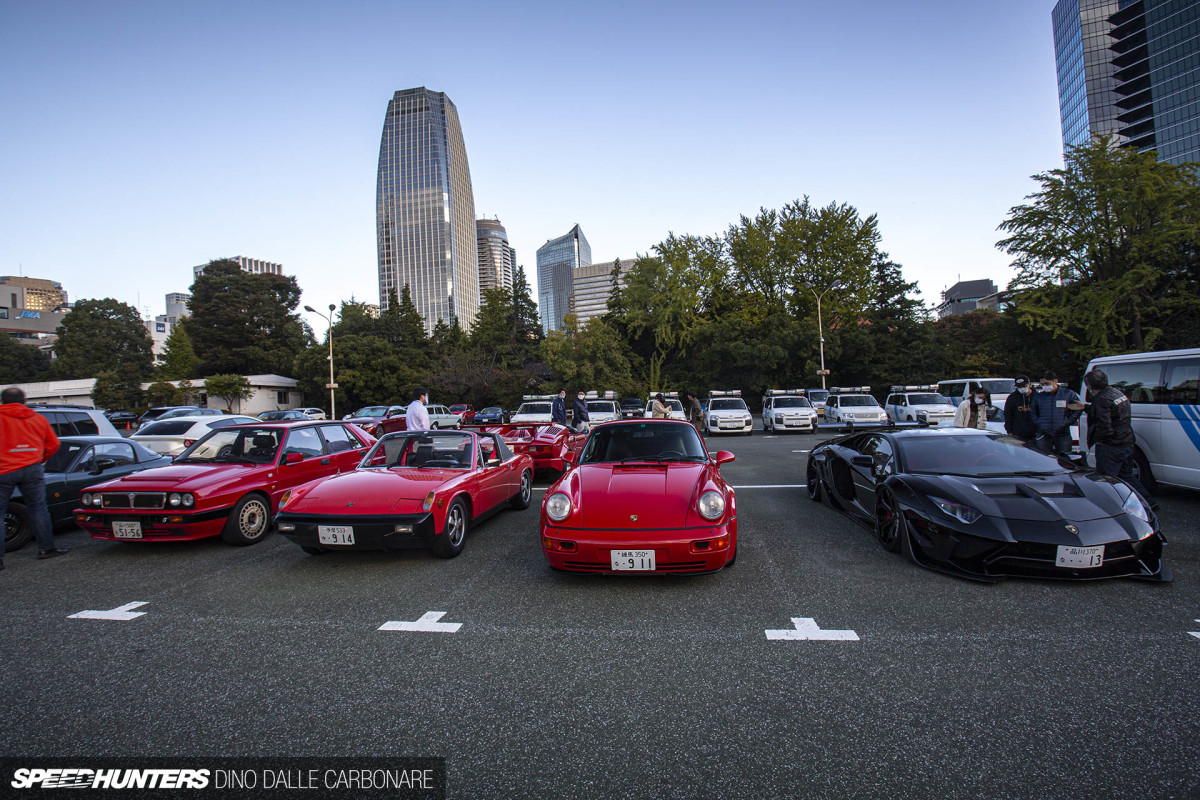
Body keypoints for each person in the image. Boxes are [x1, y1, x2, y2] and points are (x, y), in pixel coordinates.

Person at [0, 387, 69, 567]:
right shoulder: (38, 418)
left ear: (2, 401)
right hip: (32, 468)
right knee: (38, 508)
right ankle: (47, 548)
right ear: (24, 400)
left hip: (4, 469)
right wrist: (39, 459)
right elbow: (53, 444)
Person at [1080, 368, 1156, 508]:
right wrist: (1086, 407)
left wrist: (1099, 440)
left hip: (1110, 447)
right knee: (1127, 477)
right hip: (1126, 442)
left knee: (1107, 481)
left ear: (1090, 386)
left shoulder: (1101, 400)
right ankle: (1148, 503)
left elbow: (1104, 426)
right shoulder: (1117, 393)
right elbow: (1113, 414)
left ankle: (1110, 509)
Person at [1031, 371, 1082, 456]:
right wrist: (1039, 422)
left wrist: (1068, 421)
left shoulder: (1068, 394)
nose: (1045, 386)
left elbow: (1078, 408)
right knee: (1043, 458)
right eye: (1042, 384)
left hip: (1063, 433)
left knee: (1065, 459)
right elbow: (1033, 411)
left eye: (1047, 383)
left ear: (1055, 381)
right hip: (1044, 433)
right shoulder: (1039, 396)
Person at [1004, 376, 1038, 442]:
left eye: (1024, 385)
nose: (1022, 388)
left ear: (1030, 384)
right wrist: (1009, 431)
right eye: (1019, 386)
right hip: (1018, 433)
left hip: (1035, 433)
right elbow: (1007, 414)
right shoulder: (1012, 397)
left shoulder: (1037, 396)